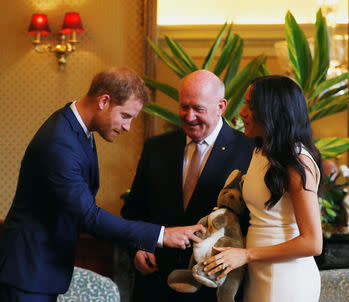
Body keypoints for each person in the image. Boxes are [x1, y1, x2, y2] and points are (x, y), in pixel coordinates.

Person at [0, 67, 205, 302]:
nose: (127, 126)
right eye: (125, 116)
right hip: (27, 271)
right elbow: (89, 216)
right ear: (104, 101)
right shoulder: (59, 143)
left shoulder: (77, 129)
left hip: (39, 269)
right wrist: (162, 234)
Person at [121, 69, 254, 302]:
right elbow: (133, 210)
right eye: (184, 107)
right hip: (155, 282)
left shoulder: (249, 151)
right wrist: (138, 248)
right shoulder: (156, 148)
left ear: (221, 107)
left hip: (214, 286)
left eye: (198, 109)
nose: (189, 116)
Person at [203, 75, 323, 301]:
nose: (242, 112)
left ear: (273, 111)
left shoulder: (297, 161)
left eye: (250, 104)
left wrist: (246, 254)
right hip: (258, 272)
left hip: (287, 278)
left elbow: (313, 243)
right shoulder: (260, 151)